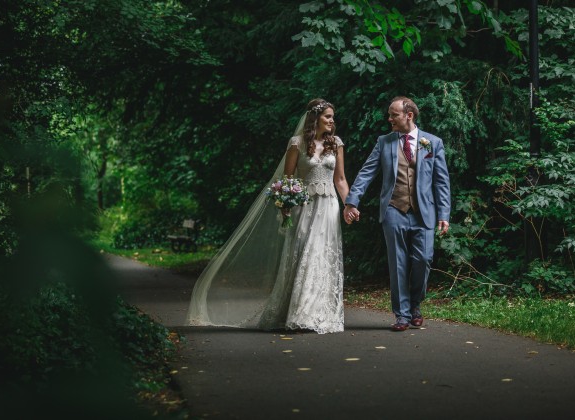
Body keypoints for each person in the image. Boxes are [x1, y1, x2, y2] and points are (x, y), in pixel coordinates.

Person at [186, 98, 350, 334]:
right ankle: (296, 311)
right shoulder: (297, 143)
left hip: (329, 206)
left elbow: (341, 180)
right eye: (328, 116)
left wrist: (350, 205)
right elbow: (288, 179)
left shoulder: (336, 144)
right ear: (315, 118)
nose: (332, 121)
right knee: (302, 252)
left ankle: (316, 313)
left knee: (322, 253)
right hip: (304, 206)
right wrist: (286, 202)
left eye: (333, 117)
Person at [343, 96, 451, 332]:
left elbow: (441, 182)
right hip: (394, 210)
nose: (389, 119)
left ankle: (415, 305)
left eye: (394, 115)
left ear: (408, 115)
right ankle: (402, 315)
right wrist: (352, 201)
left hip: (425, 213)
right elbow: (366, 173)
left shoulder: (432, 142)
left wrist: (444, 213)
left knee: (423, 260)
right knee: (398, 264)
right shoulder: (385, 142)